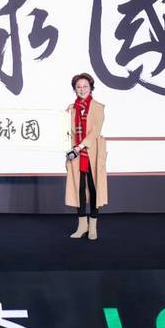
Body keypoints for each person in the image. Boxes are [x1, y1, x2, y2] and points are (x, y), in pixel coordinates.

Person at [65, 72, 107, 240]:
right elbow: (65, 130)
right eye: (78, 87)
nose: (82, 89)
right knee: (79, 188)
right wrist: (66, 115)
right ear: (75, 89)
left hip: (92, 152)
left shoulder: (98, 107)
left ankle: (93, 226)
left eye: (85, 86)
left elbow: (95, 131)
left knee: (94, 187)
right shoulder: (72, 109)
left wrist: (80, 146)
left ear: (91, 88)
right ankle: (82, 225)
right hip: (75, 154)